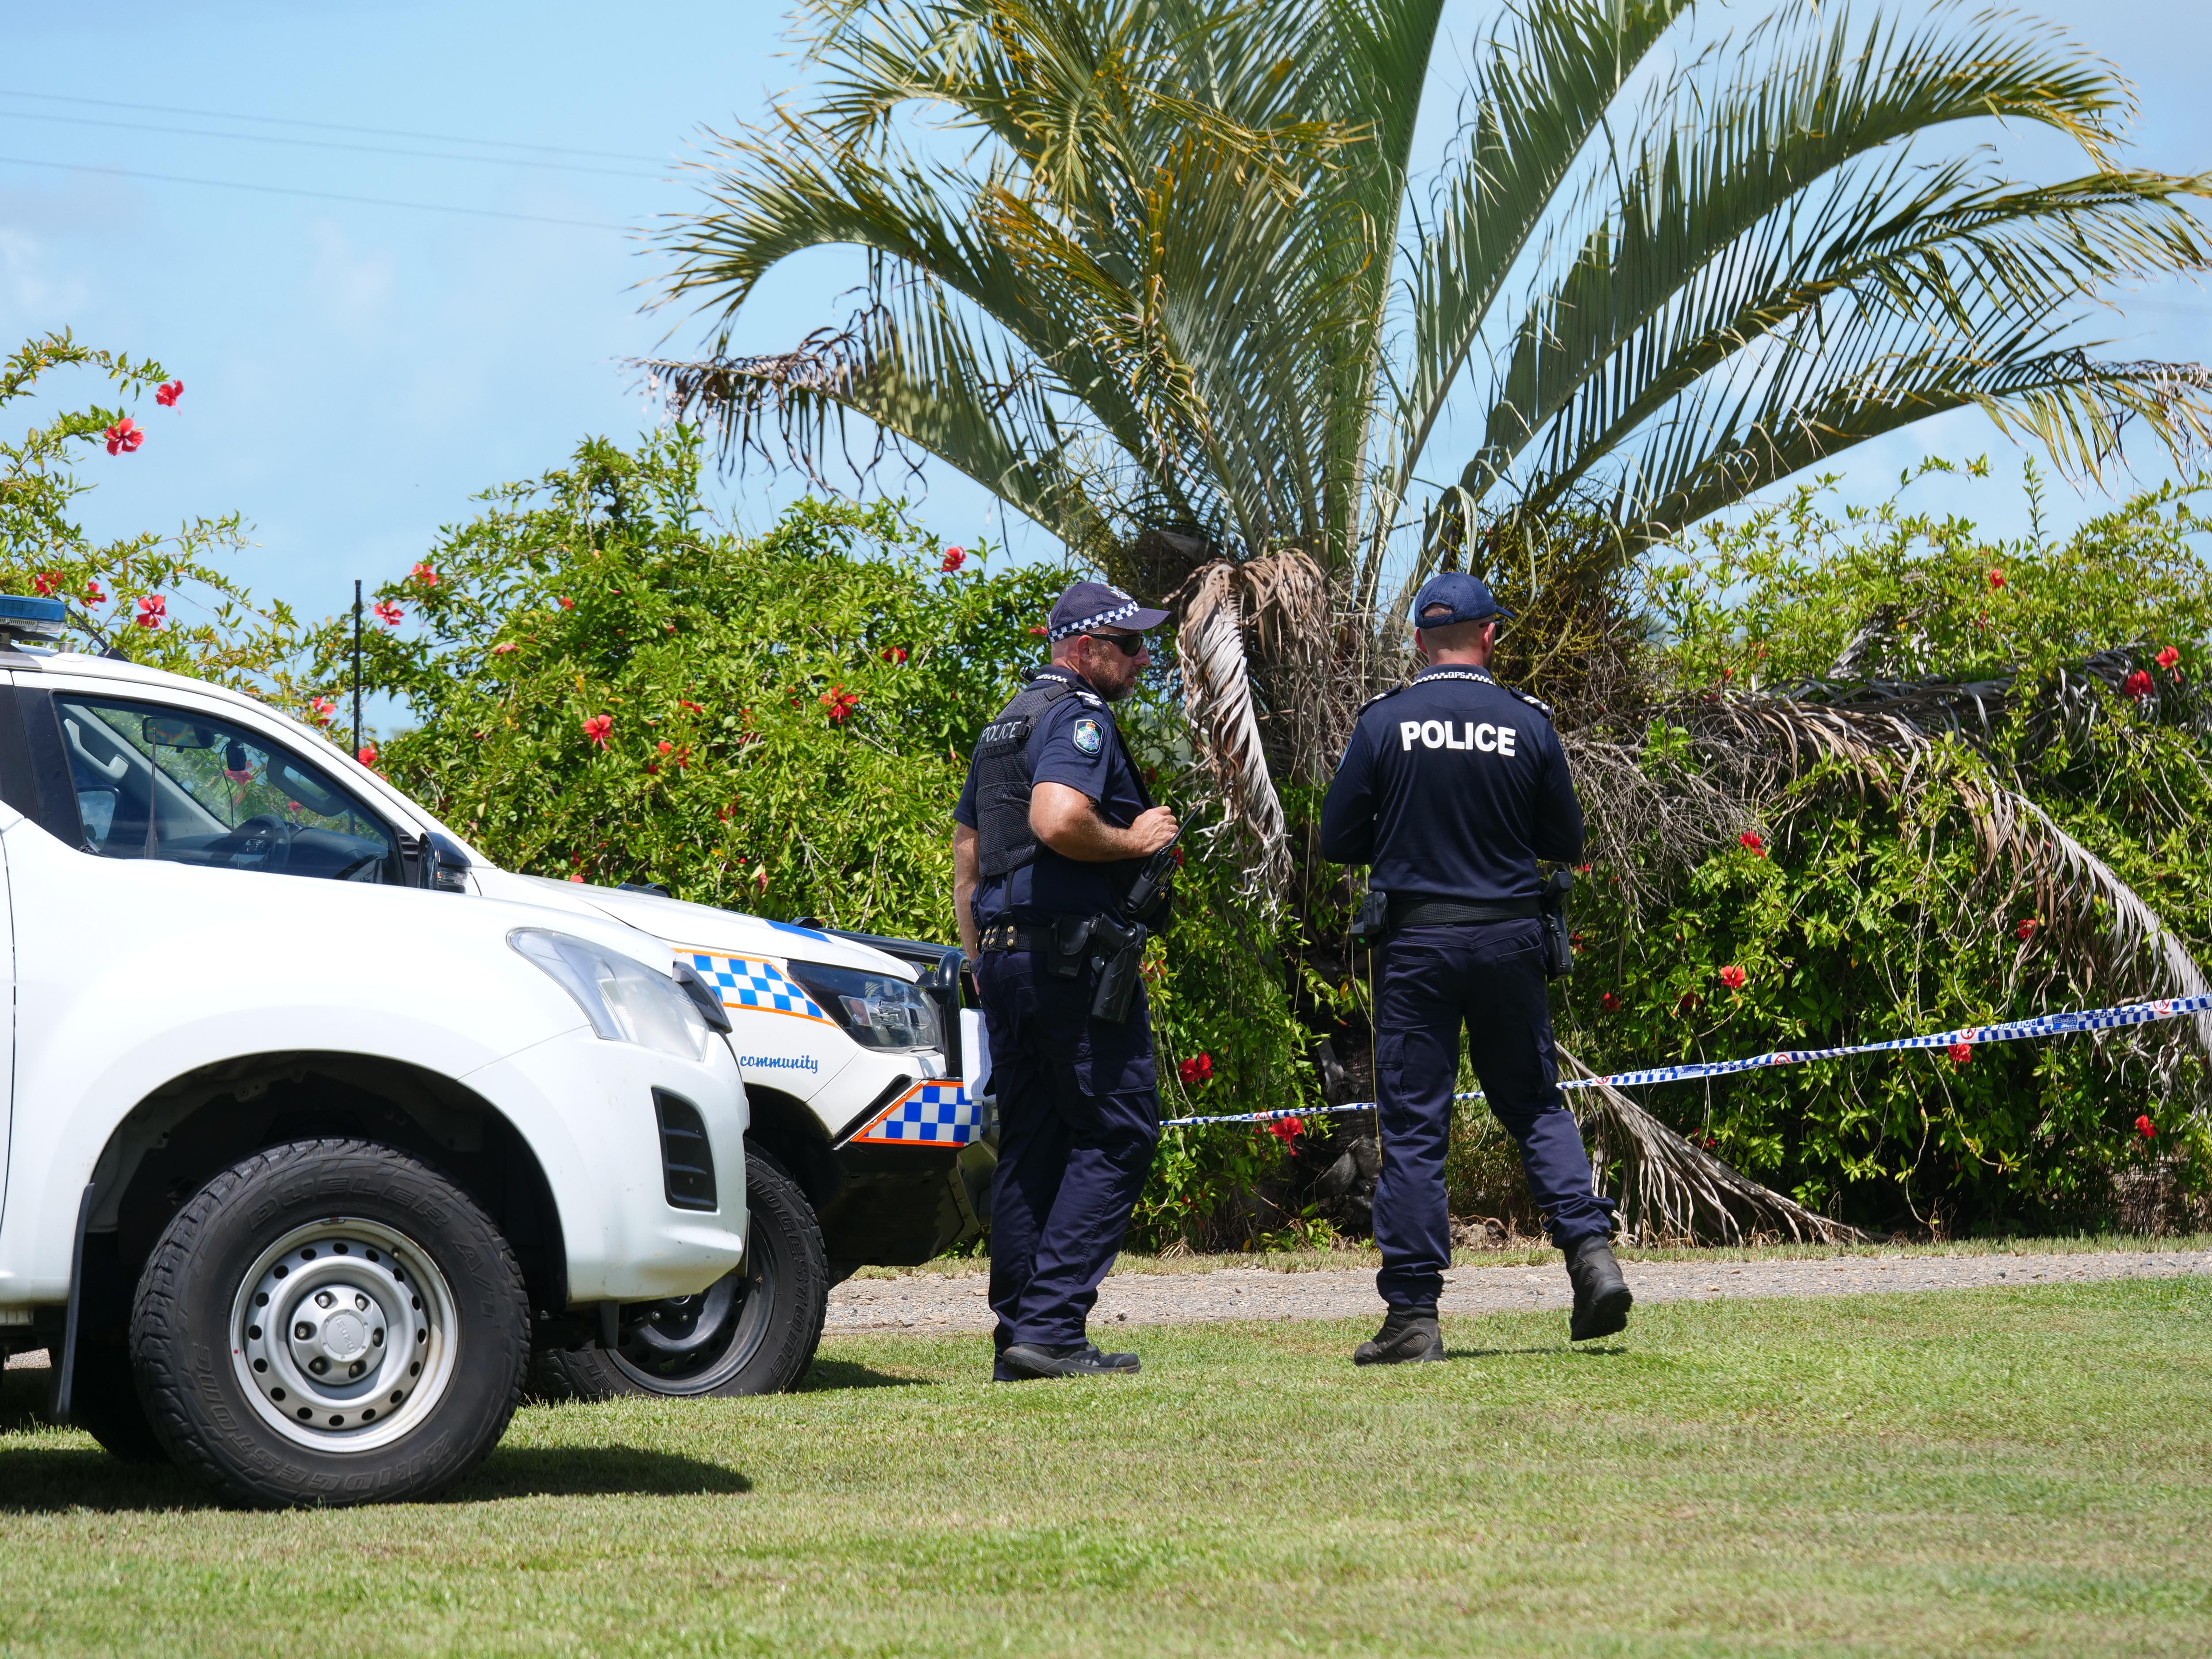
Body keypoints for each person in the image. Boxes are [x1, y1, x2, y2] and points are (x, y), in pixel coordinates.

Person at [1317, 571, 1632, 1363]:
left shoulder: (1386, 721)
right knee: (1532, 1105)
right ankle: (1592, 1260)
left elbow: (1338, 838)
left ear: (1420, 641)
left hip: (1418, 946)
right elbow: (1566, 839)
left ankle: (1414, 1319)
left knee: (1418, 1130)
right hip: (1508, 940)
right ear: (1489, 636)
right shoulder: (1527, 721)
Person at [951, 580, 1178, 1381]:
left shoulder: (1002, 723)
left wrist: (982, 960)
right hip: (1067, 959)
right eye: (1130, 644)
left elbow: (969, 861)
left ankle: (1019, 1334)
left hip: (1007, 959)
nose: (1144, 658)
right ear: (1083, 649)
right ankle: (1050, 1327)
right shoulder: (1079, 716)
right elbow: (1055, 817)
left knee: (1035, 1142)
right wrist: (1133, 838)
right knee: (1119, 1130)